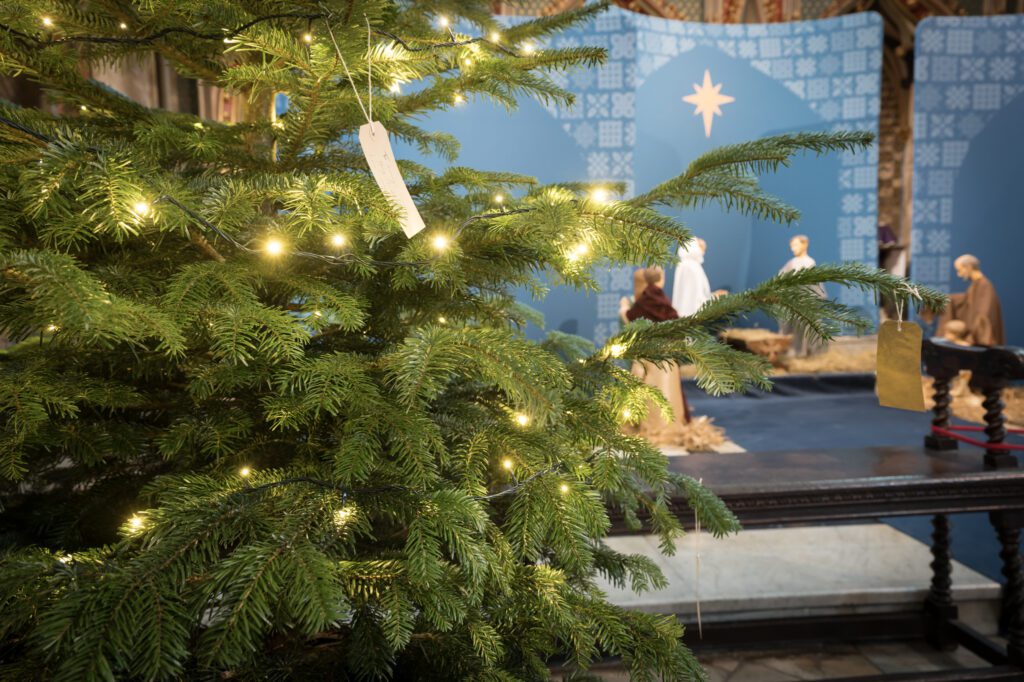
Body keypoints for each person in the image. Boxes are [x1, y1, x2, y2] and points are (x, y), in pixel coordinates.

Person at [618, 267, 693, 444]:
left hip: (647, 357)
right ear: (661, 279)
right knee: (667, 391)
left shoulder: (643, 301)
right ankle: (668, 426)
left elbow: (631, 317)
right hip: (665, 358)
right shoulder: (662, 300)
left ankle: (648, 425)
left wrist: (624, 309)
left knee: (647, 390)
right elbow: (675, 323)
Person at [937, 254, 1005, 347]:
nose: (959, 274)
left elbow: (984, 315)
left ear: (968, 267)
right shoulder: (976, 285)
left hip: (979, 343)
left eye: (959, 270)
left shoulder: (984, 286)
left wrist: (972, 338)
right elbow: (964, 302)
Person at [778, 234, 825, 357]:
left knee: (807, 326)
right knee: (792, 325)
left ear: (804, 245)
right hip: (793, 301)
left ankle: (807, 351)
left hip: (806, 300)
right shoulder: (791, 263)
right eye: (791, 246)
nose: (793, 248)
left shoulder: (809, 262)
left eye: (795, 245)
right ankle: (794, 350)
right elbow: (781, 278)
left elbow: (813, 284)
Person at [672, 238, 726, 317]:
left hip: (682, 313)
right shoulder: (692, 267)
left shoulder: (683, 264)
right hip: (691, 315)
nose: (703, 252)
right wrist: (715, 298)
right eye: (701, 247)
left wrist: (714, 296)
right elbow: (695, 299)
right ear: (694, 246)